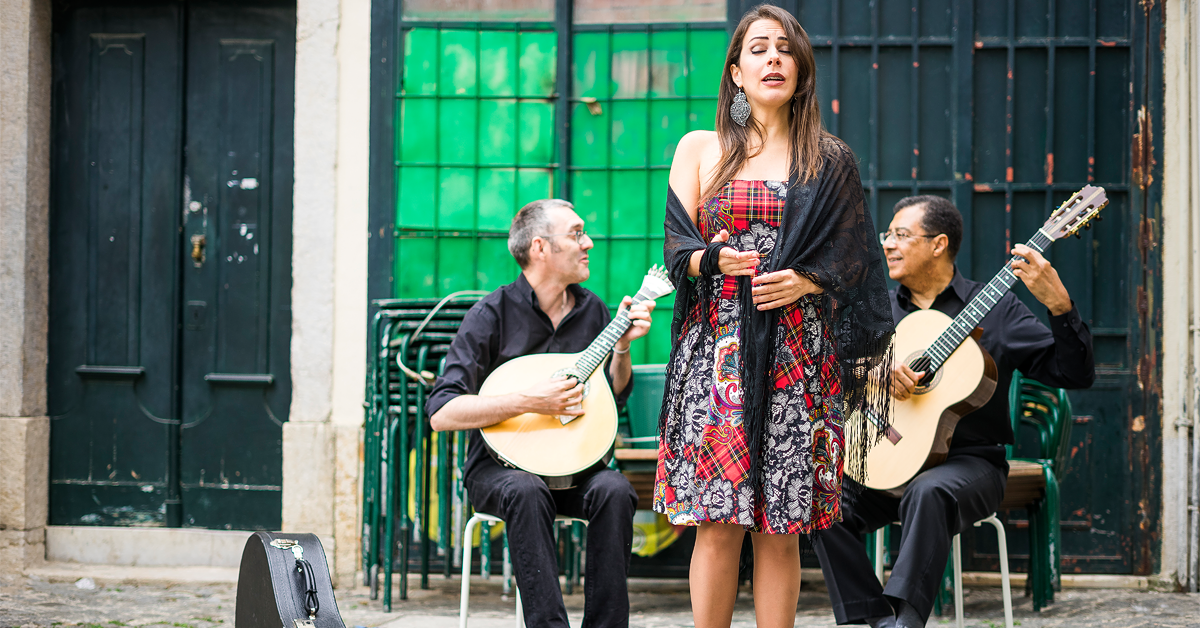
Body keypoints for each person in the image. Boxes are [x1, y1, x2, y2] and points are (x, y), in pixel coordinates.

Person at [655, 5, 896, 628]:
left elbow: (856, 259)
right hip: (718, 358)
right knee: (715, 521)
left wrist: (807, 279)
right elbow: (675, 252)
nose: (773, 59)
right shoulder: (700, 148)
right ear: (736, 72)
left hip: (798, 357)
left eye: (786, 49)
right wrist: (714, 260)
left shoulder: (829, 158)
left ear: (802, 70)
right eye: (758, 49)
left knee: (780, 528)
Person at [811, 195, 1096, 628]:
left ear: (939, 244)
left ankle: (906, 622)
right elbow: (824, 372)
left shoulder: (997, 310)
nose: (887, 244)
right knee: (819, 497)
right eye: (888, 234)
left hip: (971, 464)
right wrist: (871, 372)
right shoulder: (877, 310)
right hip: (887, 454)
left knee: (930, 490)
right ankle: (874, 619)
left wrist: (1060, 306)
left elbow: (1074, 374)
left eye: (901, 235)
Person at [427, 198, 656, 628]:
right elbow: (441, 411)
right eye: (576, 233)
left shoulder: (594, 312)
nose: (588, 242)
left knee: (616, 490)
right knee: (527, 490)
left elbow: (614, 397)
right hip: (500, 470)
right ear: (540, 248)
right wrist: (530, 402)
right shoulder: (490, 316)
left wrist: (621, 348)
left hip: (577, 469)